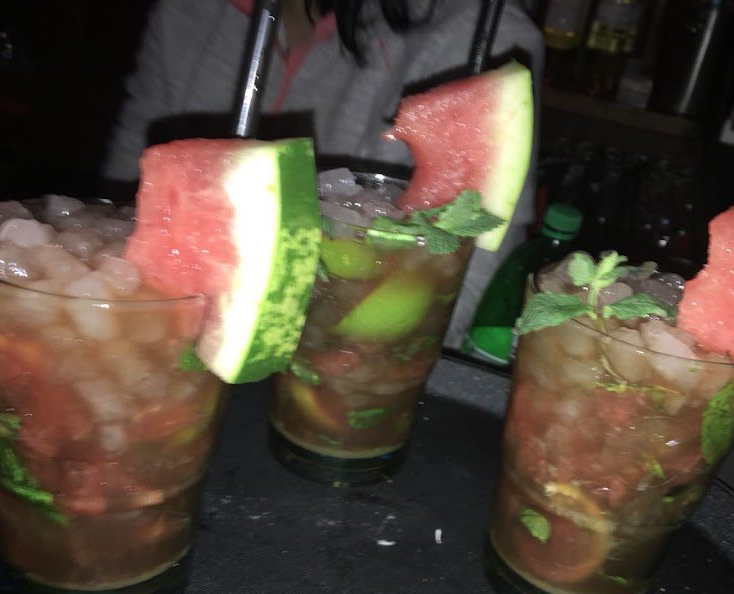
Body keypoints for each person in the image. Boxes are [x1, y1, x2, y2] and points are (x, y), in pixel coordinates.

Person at [103, 0, 544, 347]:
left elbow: (462, 285)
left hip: (337, 368)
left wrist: (340, 354)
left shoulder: (478, 32)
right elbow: (125, 207)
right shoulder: (184, 11)